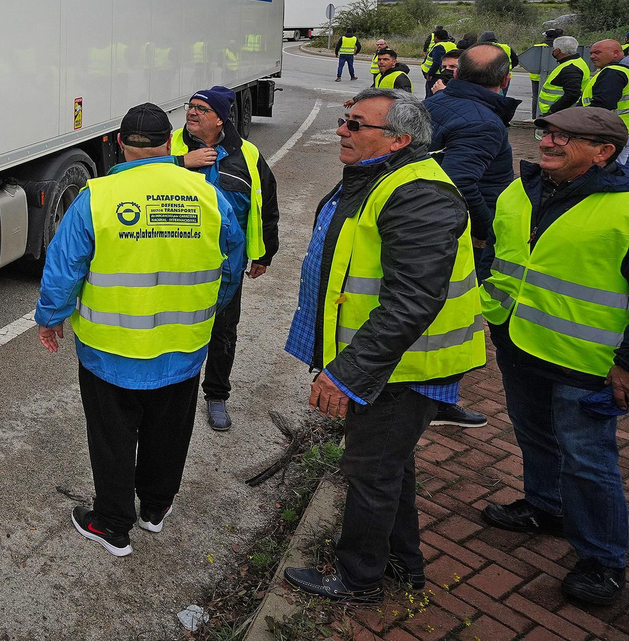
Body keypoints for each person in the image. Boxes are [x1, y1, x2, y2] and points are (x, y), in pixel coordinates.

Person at [281, 89, 487, 602]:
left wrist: (349, 371)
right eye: (343, 120)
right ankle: (401, 561)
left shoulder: (418, 193)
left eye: (356, 124)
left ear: (399, 138)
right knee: (390, 466)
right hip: (390, 363)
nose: (342, 131)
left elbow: (412, 300)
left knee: (369, 472)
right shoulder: (382, 176)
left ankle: (360, 579)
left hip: (401, 368)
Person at [35, 103, 245, 557]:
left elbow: (64, 267)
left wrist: (50, 318)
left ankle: (112, 524)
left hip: (110, 351)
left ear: (117, 145)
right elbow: (232, 263)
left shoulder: (98, 195)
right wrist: (208, 308)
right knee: (168, 432)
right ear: (169, 144)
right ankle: (154, 509)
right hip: (182, 347)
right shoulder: (208, 195)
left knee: (112, 436)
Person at [480, 107, 629, 606]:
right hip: (518, 340)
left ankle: (605, 558)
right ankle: (546, 507)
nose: (547, 142)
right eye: (547, 131)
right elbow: (501, 260)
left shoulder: (624, 206)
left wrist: (627, 362)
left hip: (586, 360)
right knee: (534, 435)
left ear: (603, 152)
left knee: (589, 460)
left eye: (566, 137)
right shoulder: (520, 190)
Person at [171, 86, 280, 430]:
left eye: (202, 109)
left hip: (226, 264)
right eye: (191, 106)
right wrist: (179, 163)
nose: (192, 112)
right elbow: (135, 172)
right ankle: (172, 391)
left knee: (222, 333)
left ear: (220, 118)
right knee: (175, 327)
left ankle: (216, 395)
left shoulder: (247, 155)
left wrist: (265, 253)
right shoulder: (172, 145)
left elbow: (265, 204)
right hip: (176, 260)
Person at [423, 43, 519, 428]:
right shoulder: (482, 121)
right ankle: (438, 401)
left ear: (456, 73)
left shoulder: (435, 104)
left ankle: (430, 395)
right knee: (457, 316)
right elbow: (461, 182)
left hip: (429, 222)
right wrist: (482, 231)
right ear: (506, 80)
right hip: (458, 233)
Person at [583, 39, 629, 164]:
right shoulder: (622, 71)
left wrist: (579, 118)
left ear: (615, 53)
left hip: (611, 131)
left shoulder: (614, 72)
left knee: (609, 170)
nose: (592, 56)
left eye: (597, 53)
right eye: (591, 53)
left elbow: (603, 104)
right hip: (620, 130)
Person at [538, 35, 589, 116]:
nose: (552, 50)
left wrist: (552, 111)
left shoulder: (571, 68)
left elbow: (572, 94)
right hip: (564, 112)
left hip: (561, 114)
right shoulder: (575, 62)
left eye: (553, 48)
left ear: (557, 51)